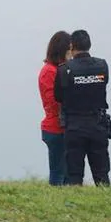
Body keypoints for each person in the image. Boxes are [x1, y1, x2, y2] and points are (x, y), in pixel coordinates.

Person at [54, 30, 111, 186]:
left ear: (72, 46)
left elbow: (58, 96)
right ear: (89, 45)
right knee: (101, 173)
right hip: (98, 124)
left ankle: (77, 207)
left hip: (74, 125)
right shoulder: (102, 66)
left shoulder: (64, 69)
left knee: (74, 174)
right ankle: (107, 204)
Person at [39, 31, 71, 186]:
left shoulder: (58, 70)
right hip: (55, 128)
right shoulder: (49, 72)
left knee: (66, 172)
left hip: (61, 127)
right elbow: (53, 101)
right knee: (58, 172)